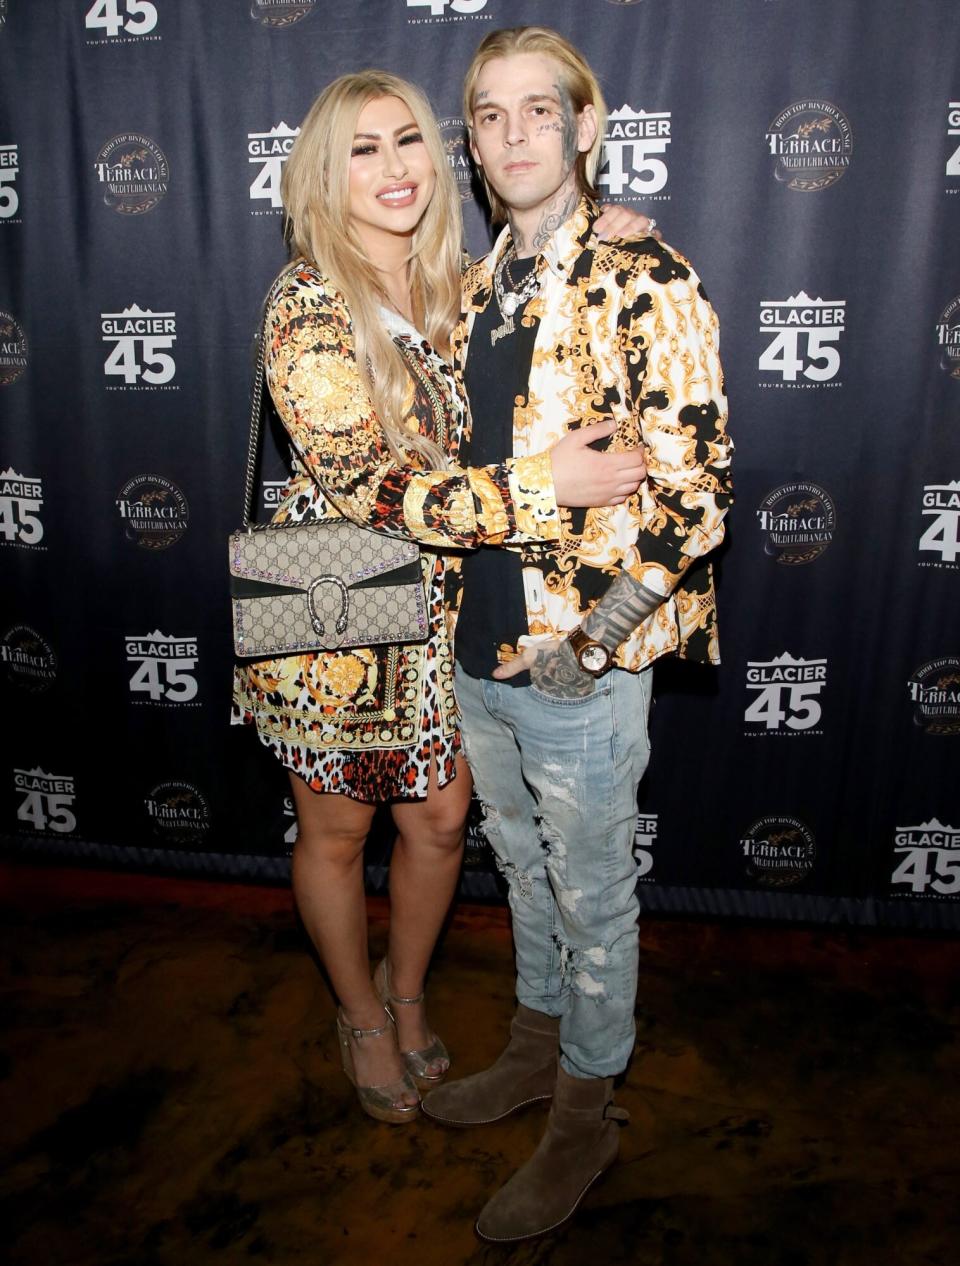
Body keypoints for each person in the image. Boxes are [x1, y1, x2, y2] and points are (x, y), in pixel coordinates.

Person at [231, 70, 650, 1125]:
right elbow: (370, 488)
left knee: (440, 820)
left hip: (443, 600)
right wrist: (540, 486)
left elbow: (555, 304)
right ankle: (362, 1015)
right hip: (329, 598)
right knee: (336, 831)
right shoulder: (308, 301)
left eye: (409, 140)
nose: (393, 167)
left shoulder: (459, 280)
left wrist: (604, 234)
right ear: (324, 174)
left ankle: (409, 997)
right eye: (362, 149)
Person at [420, 27, 733, 1240]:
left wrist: (595, 642)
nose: (511, 138)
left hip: (577, 660)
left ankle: (586, 1114)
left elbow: (697, 496)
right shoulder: (474, 285)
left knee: (595, 894)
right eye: (488, 116)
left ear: (587, 128)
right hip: (475, 649)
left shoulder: (648, 278)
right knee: (524, 872)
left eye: (538, 112)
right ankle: (535, 1050)